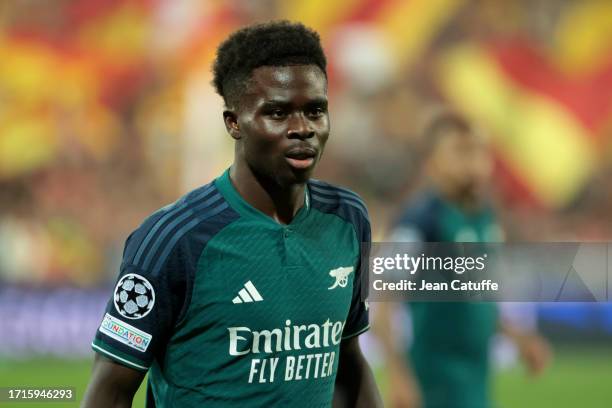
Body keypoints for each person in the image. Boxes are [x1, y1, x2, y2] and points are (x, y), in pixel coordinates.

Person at [83, 21, 382, 408]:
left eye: (315, 110)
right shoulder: (175, 240)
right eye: (277, 113)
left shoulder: (348, 218)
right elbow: (110, 391)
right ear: (234, 123)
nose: (302, 129)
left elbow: (350, 363)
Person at [375, 111, 551, 408]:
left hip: (477, 376)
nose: (473, 161)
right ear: (432, 163)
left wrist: (517, 337)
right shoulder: (420, 220)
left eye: (478, 150)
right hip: (434, 380)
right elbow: (383, 297)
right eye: (460, 151)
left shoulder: (485, 217)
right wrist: (399, 376)